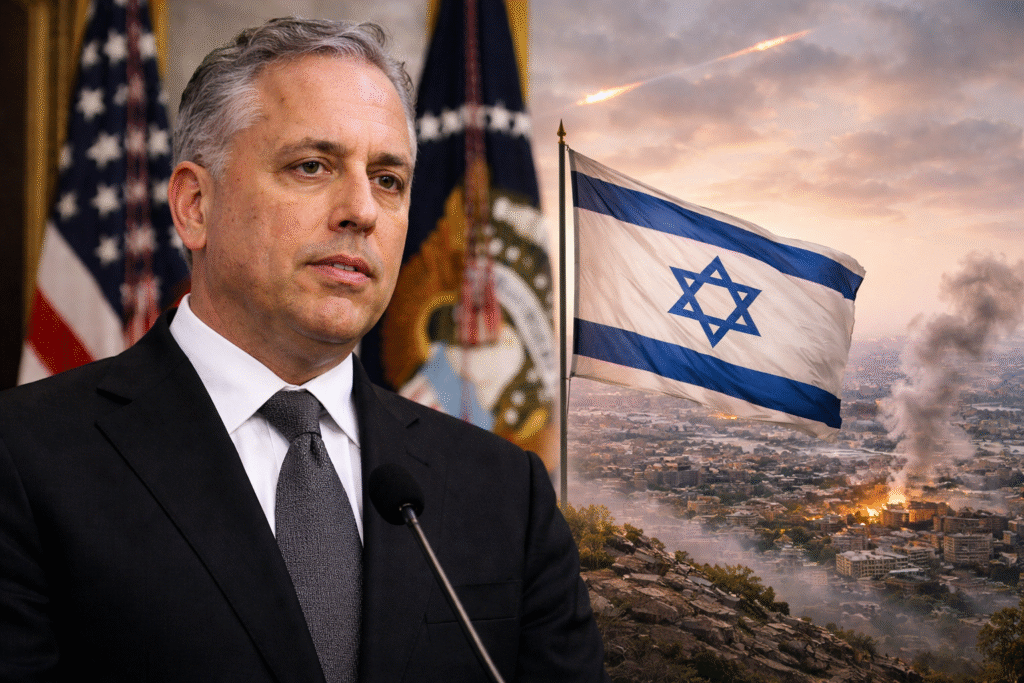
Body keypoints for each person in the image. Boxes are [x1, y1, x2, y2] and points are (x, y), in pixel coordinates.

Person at [0, 17, 608, 683]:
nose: (362, 210)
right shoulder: (25, 459)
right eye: (312, 166)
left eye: (388, 179)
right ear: (194, 206)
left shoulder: (505, 491)